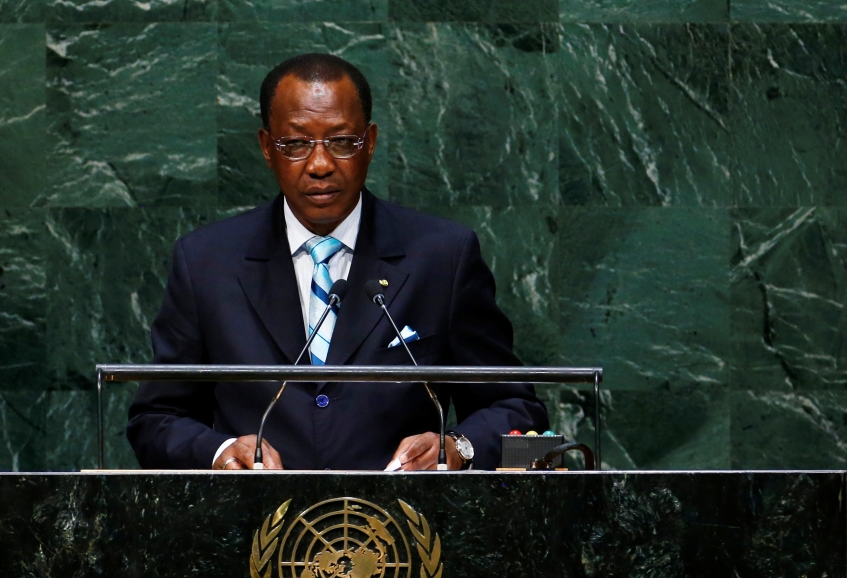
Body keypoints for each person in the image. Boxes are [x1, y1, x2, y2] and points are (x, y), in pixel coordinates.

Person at [127, 53, 548, 471]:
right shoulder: (206, 262)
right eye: (295, 144)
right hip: (255, 530)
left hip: (403, 528)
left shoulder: (442, 256)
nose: (321, 165)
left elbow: (515, 407)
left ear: (371, 143)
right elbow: (156, 419)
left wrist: (458, 447)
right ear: (266, 148)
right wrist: (219, 453)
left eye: (342, 141)